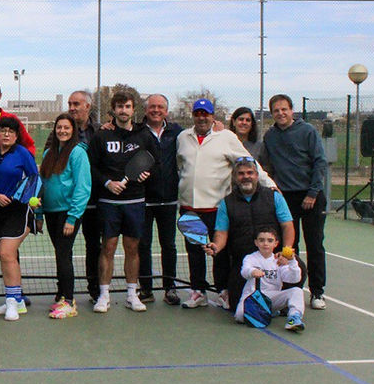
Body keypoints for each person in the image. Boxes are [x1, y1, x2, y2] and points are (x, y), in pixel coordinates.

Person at [177, 98, 276, 309]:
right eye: (198, 114)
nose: (202, 118)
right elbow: (181, 166)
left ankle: (223, 291)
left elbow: (249, 162)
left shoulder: (226, 137)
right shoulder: (183, 137)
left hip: (217, 208)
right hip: (189, 208)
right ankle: (198, 292)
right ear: (193, 116)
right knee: (194, 253)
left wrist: (269, 184)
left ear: (213, 116)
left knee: (220, 253)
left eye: (206, 114)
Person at [87, 92, 159, 314]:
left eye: (127, 106)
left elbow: (154, 163)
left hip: (135, 201)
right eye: (119, 106)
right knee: (107, 247)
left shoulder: (144, 135)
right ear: (113, 109)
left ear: (133, 109)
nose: (123, 110)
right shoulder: (101, 136)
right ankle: (104, 295)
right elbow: (92, 166)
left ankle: (131, 294)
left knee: (132, 248)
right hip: (108, 202)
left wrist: (147, 174)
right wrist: (107, 183)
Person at [260, 94, 328, 310]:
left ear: (291, 110)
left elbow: (320, 162)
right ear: (272, 114)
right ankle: (293, 290)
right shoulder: (270, 136)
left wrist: (313, 192)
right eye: (276, 110)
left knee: (315, 245)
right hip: (285, 198)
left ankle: (317, 292)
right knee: (289, 247)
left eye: (284, 109)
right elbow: (267, 166)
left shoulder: (307, 131)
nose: (281, 113)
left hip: (311, 197)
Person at [204, 158, 295, 310]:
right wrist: (216, 247)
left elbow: (287, 226)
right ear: (235, 177)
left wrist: (286, 252)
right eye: (241, 173)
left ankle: (285, 302)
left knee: (298, 268)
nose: (246, 176)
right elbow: (221, 233)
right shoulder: (226, 203)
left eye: (250, 173)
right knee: (237, 306)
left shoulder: (274, 196)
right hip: (245, 261)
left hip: (273, 258)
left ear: (257, 176)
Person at [0, 117, 39, 321]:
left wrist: (33, 202)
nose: (6, 134)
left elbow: (34, 180)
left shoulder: (23, 154)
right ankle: (17, 301)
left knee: (7, 254)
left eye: (11, 131)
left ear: (16, 136)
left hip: (19, 211)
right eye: (3, 130)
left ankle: (11, 303)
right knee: (6, 257)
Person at [37, 113, 91, 318]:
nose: (62, 131)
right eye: (59, 127)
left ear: (73, 130)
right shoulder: (49, 153)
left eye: (67, 127)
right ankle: (61, 295)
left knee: (63, 254)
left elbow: (83, 187)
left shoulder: (78, 153)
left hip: (67, 213)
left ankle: (69, 301)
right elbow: (43, 184)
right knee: (61, 254)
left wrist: (72, 217)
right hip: (50, 213)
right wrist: (39, 214)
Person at [137, 94, 184, 306]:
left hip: (169, 200)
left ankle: (170, 288)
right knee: (143, 245)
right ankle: (146, 289)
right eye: (152, 106)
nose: (156, 110)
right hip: (143, 200)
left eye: (160, 107)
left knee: (169, 245)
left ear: (166, 111)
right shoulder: (137, 131)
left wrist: (217, 128)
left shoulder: (178, 132)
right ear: (146, 109)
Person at [234, 226, 305, 331]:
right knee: (239, 316)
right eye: (261, 240)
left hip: (272, 297)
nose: (265, 244)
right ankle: (269, 312)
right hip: (253, 296)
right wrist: (252, 272)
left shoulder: (279, 260)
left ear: (276, 243)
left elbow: (294, 279)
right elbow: (244, 271)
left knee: (297, 291)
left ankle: (294, 318)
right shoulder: (250, 258)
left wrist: (292, 261)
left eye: (270, 240)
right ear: (256, 242)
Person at [67, 90, 102, 301]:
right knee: (65, 248)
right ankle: (65, 292)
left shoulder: (100, 131)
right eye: (70, 104)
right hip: (69, 201)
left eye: (76, 104)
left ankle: (95, 289)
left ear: (87, 106)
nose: (72, 108)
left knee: (94, 245)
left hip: (94, 201)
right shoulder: (61, 130)